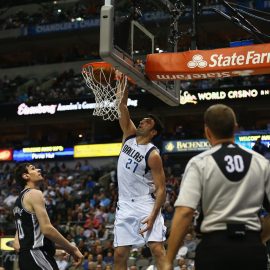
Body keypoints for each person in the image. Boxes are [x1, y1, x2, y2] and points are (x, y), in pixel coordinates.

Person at [163, 104, 270, 270]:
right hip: (252, 249)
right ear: (235, 128)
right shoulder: (261, 162)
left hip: (214, 248)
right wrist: (258, 238)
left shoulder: (200, 162)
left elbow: (185, 212)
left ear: (207, 131)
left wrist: (168, 259)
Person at [114, 85, 166, 270]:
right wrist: (124, 85)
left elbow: (161, 189)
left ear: (153, 133)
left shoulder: (153, 155)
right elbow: (122, 106)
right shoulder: (128, 135)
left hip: (146, 203)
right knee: (120, 253)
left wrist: (153, 215)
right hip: (126, 203)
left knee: (157, 249)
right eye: (143, 120)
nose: (143, 122)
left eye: (148, 122)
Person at [13, 163, 83, 270]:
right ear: (26, 176)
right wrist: (71, 248)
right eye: (33, 169)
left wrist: (53, 251)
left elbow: (17, 245)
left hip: (25, 259)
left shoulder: (18, 201)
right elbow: (47, 229)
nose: (39, 170)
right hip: (36, 256)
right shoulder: (34, 193)